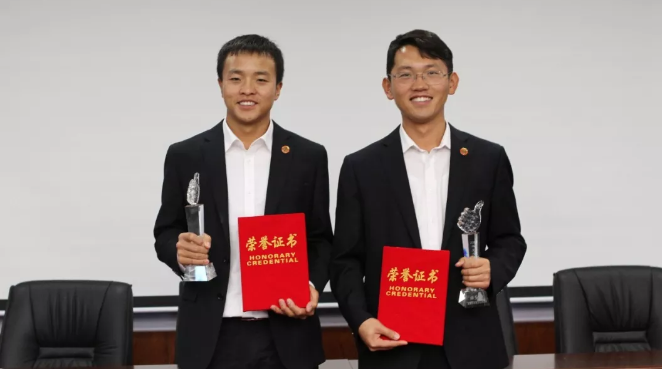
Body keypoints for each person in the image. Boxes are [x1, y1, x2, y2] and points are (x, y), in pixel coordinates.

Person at [329, 29, 527, 369]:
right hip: (392, 343)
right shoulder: (361, 167)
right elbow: (345, 260)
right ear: (388, 87)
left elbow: (510, 239)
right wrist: (361, 320)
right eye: (405, 74)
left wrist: (493, 268)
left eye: (432, 72)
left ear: (452, 82)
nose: (419, 84)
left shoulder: (487, 159)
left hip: (471, 343)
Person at [154, 35, 333, 369]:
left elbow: (321, 238)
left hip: (287, 334)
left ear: (278, 88)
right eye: (236, 78)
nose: (247, 89)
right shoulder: (185, 155)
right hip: (210, 334)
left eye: (261, 80)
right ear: (221, 85)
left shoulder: (308, 156)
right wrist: (178, 250)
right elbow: (165, 231)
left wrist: (310, 286)